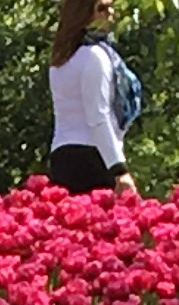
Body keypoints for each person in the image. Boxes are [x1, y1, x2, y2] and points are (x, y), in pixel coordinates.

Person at [43, 0, 137, 193]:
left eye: (111, 7)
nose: (110, 14)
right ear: (82, 13)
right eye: (101, 8)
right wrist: (119, 170)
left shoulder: (60, 59)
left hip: (61, 154)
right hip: (93, 155)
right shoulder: (94, 56)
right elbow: (98, 116)